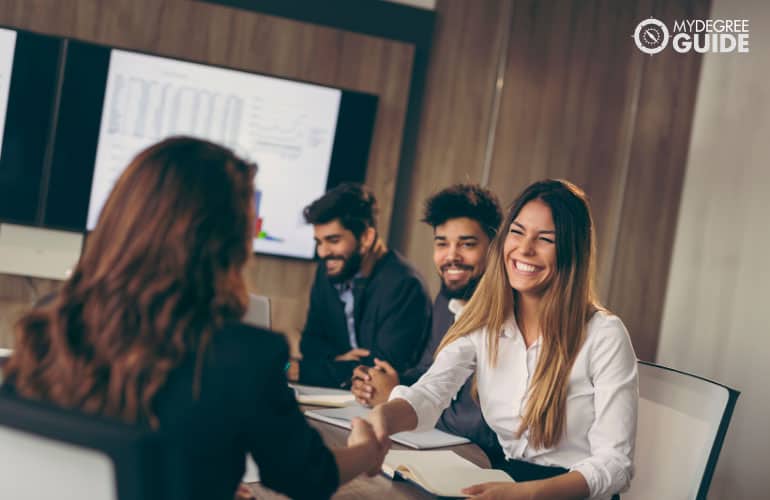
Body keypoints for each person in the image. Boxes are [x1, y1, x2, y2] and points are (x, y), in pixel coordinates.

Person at [1, 137, 387, 500]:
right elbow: (307, 476)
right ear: (225, 241)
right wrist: (366, 450)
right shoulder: (244, 354)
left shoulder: (53, 319)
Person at [368, 179, 638, 500]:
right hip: (506, 478)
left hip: (567, 492)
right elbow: (430, 394)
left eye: (545, 239)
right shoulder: (485, 320)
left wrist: (527, 494)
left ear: (571, 251)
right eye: (518, 232)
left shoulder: (604, 334)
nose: (524, 249)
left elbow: (615, 464)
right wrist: (380, 420)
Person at [352, 184, 504, 460]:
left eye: (467, 244)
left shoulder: (508, 313)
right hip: (443, 449)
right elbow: (430, 370)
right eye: (442, 243)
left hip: (488, 462)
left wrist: (397, 399)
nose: (451, 256)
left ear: (494, 248)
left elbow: (482, 424)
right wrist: (390, 382)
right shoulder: (447, 298)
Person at [289, 183, 432, 388]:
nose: (322, 252)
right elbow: (311, 342)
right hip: (338, 396)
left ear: (366, 237)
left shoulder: (405, 286)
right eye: (319, 242)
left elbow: (382, 369)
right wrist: (341, 361)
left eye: (333, 240)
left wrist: (308, 370)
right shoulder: (328, 271)